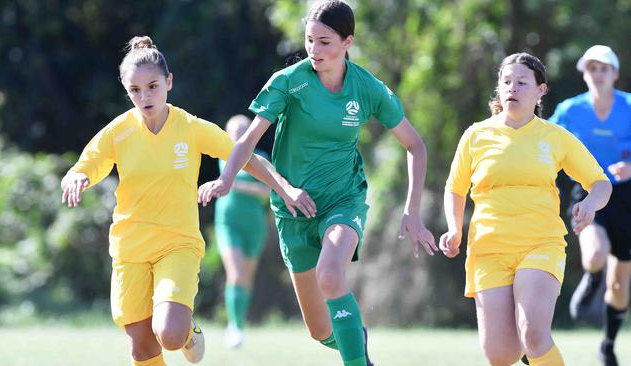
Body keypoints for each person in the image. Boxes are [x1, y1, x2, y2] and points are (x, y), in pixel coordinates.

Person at [199, 1, 437, 365]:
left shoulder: (366, 88)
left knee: (330, 275)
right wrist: (228, 178)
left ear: (347, 42)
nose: (314, 50)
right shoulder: (288, 82)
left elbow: (415, 145)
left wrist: (411, 210)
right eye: (310, 40)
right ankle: (355, 339)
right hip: (292, 209)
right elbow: (246, 143)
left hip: (343, 200)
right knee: (320, 331)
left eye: (325, 42)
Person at [60, 36, 309, 366]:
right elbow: (85, 166)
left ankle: (189, 331)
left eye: (152, 86)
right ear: (125, 89)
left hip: (177, 244)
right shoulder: (118, 131)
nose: (145, 96)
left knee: (171, 334)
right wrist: (77, 177)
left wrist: (284, 187)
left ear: (169, 82)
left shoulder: (190, 128)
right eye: (135, 90)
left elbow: (243, 154)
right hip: (130, 247)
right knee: (141, 347)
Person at [440, 52, 612, 366]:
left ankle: (537, 351)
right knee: (500, 354)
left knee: (533, 334)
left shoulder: (555, 137)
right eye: (506, 82)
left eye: (522, 82)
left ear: (540, 90)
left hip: (539, 243)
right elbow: (455, 188)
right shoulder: (476, 136)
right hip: (488, 249)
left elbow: (601, 183)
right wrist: (454, 228)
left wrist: (588, 204)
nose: (512, 88)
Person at [549, 44, 631, 366]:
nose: (598, 74)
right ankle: (592, 276)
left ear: (615, 73)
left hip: (626, 199)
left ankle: (608, 345)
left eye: (604, 69)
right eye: (592, 69)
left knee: (619, 284)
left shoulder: (630, 107)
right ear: (584, 74)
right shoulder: (569, 111)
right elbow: (544, 143)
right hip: (588, 193)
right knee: (595, 254)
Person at [214, 115, 270, 348]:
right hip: (228, 222)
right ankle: (234, 327)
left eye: (243, 130)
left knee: (245, 278)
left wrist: (236, 185)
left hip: (254, 225)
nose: (238, 134)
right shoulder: (225, 155)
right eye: (233, 130)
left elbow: (268, 192)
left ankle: (239, 323)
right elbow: (255, 187)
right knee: (236, 274)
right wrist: (251, 187)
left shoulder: (263, 159)